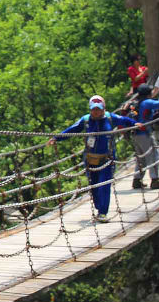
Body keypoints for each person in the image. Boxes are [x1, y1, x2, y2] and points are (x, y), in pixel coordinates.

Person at [48, 95, 138, 223]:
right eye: (93, 109)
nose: (96, 112)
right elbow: (72, 130)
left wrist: (136, 124)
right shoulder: (85, 120)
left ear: (103, 108)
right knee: (94, 186)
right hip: (91, 159)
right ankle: (99, 207)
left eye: (98, 109)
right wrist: (56, 138)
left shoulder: (110, 118)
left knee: (104, 184)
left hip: (107, 158)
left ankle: (102, 212)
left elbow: (124, 120)